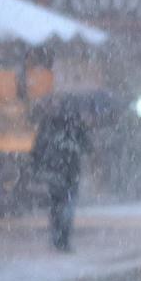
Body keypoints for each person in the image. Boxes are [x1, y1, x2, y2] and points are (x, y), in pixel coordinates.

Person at [31, 105, 91, 253]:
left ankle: (57, 237)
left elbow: (37, 149)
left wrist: (38, 167)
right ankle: (62, 238)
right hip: (70, 174)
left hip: (56, 173)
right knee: (66, 206)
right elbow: (88, 148)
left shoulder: (49, 128)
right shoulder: (76, 128)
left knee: (57, 206)